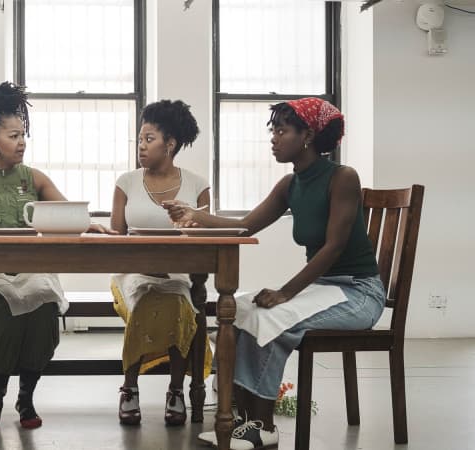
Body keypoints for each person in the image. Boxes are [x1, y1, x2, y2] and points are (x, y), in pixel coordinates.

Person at [165, 98, 386, 450]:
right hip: (326, 289)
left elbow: (334, 248)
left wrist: (285, 292)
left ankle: (263, 427)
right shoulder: (290, 184)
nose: (273, 138)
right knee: (237, 310)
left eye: (282, 131)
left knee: (276, 316)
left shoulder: (343, 178)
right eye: (273, 130)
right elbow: (245, 226)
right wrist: (194, 214)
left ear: (308, 135)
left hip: (360, 294)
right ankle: (243, 419)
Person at [0, 81, 112, 434]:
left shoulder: (34, 177)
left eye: (23, 134)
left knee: (43, 306)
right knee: (5, 309)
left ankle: (26, 397)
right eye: (13, 135)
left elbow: (68, 214)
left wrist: (92, 225)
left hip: (32, 272)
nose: (22, 142)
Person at [110, 100, 212, 426]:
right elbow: (116, 237)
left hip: (178, 274)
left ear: (170, 144)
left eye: (149, 138)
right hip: (132, 273)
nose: (141, 146)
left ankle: (177, 390)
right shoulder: (126, 182)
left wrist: (192, 222)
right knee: (144, 301)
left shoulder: (197, 185)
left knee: (181, 303)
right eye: (139, 139)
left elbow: (208, 236)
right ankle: (130, 388)